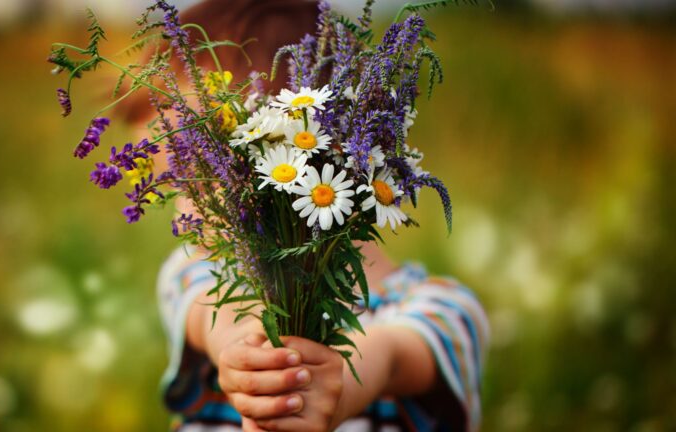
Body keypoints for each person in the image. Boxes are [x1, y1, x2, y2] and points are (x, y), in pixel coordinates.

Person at [124, 1, 489, 430]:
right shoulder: (197, 274)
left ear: (298, 148)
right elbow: (212, 314)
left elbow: (395, 353)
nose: (184, 201)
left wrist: (343, 387)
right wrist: (242, 354)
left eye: (201, 175)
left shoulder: (443, 309)